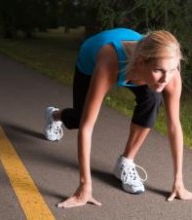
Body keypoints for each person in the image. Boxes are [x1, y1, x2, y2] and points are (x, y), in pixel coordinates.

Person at [44, 27, 192, 208]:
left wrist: (179, 182)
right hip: (92, 58)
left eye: (172, 69)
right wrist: (85, 186)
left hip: (139, 66)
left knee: (153, 100)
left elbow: (174, 126)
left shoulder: (169, 75)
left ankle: (126, 162)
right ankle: (54, 114)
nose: (165, 79)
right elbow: (87, 128)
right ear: (141, 62)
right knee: (80, 118)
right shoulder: (109, 62)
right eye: (159, 70)